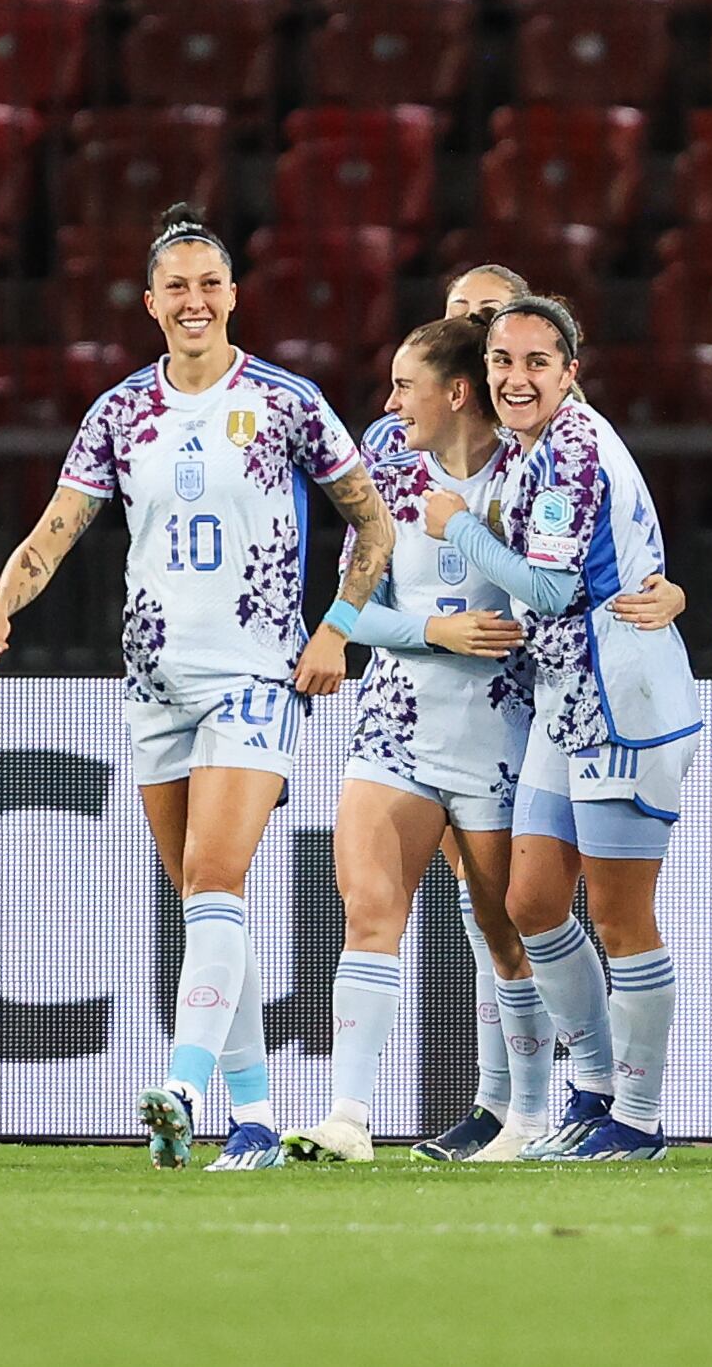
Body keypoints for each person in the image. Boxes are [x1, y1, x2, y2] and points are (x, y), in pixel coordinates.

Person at [0, 204, 393, 1171]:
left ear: (233, 296)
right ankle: (249, 1119)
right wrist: (1, 605)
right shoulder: (121, 412)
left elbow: (374, 525)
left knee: (212, 880)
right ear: (151, 302)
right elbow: (58, 529)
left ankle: (185, 1082)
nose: (195, 301)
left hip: (255, 674)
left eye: (211, 284)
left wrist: (338, 628)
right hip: (153, 683)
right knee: (204, 906)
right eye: (178, 287)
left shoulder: (285, 401)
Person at [371, 263, 687, 1162]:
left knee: (622, 918)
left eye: (536, 361)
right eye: (503, 358)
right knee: (533, 901)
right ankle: (588, 1093)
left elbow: (548, 585)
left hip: (622, 702)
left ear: (571, 370)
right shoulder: (522, 447)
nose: (516, 376)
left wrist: (455, 527)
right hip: (562, 699)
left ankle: (638, 1115)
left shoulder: (571, 448)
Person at [282, 314, 548, 1163]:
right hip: (396, 727)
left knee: (511, 929)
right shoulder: (387, 484)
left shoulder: (533, 479)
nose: (391, 402)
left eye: (406, 385)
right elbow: (351, 610)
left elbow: (561, 593)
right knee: (368, 911)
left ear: (456, 392)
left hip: (504, 739)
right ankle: (349, 1115)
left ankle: (529, 1114)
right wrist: (438, 633)